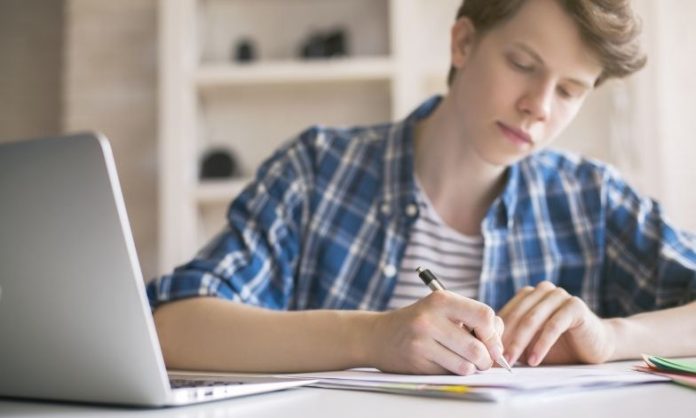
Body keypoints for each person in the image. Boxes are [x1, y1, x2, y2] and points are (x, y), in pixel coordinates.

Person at [147, 0, 696, 375]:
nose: (540, 106)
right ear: (463, 43)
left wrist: (612, 337)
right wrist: (368, 338)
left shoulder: (592, 201)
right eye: (523, 64)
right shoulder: (319, 170)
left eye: (571, 90)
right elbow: (172, 325)